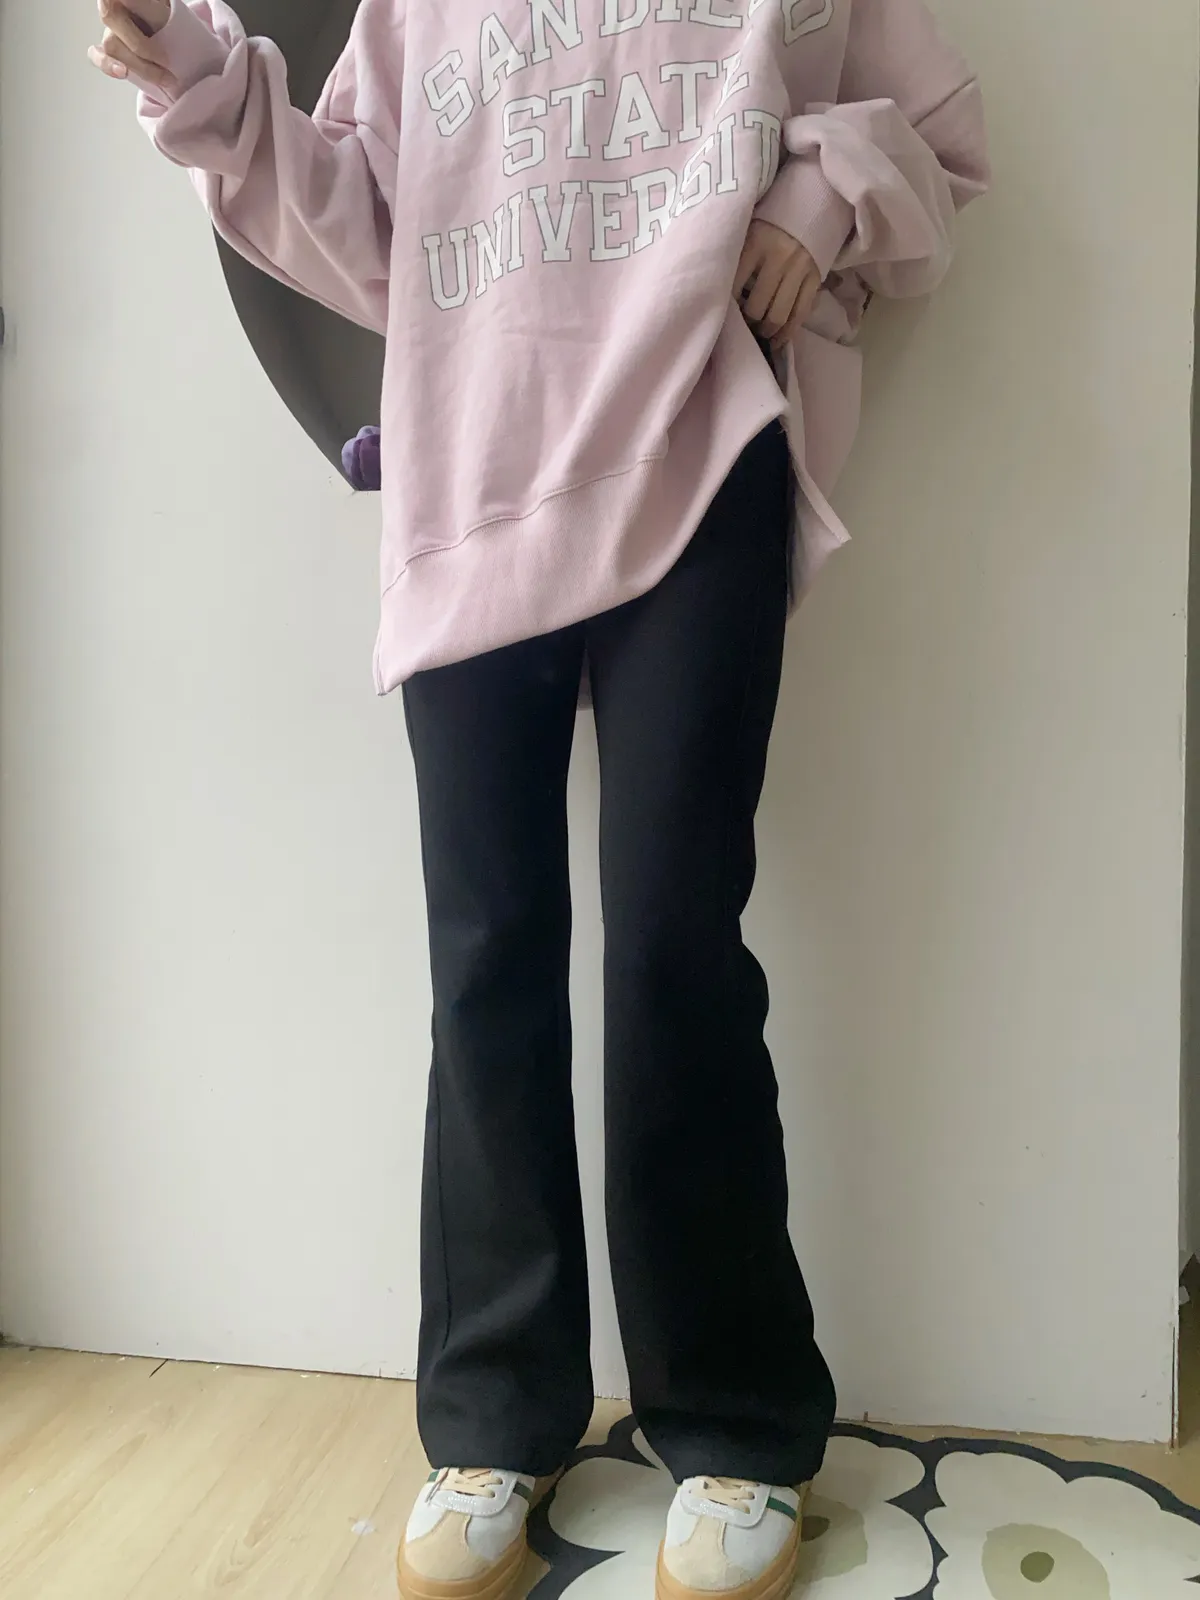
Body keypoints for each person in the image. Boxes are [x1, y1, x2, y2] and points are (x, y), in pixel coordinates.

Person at [91, 2, 988, 1595]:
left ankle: (732, 1419)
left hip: (700, 451)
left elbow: (944, 139)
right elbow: (362, 220)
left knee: (673, 947)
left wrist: (820, 190)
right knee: (487, 953)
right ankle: (494, 1414)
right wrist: (194, 67)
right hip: (472, 472)